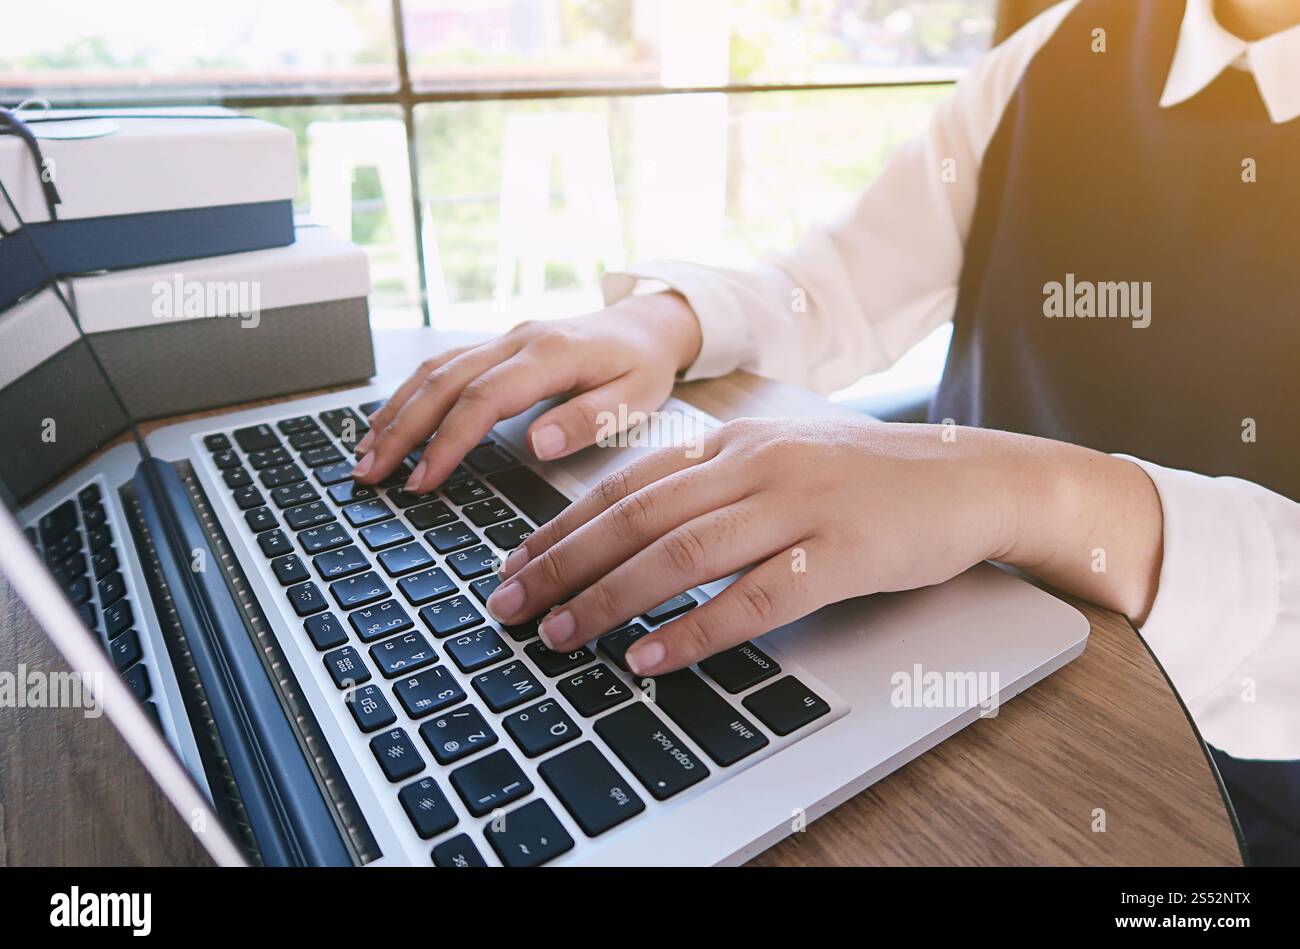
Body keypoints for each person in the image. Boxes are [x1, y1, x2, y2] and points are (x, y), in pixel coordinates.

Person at [352, 0, 1299, 863]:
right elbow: (841, 282)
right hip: (944, 662)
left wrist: (1030, 492)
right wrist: (666, 321)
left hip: (1223, 783)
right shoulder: (1062, 47)